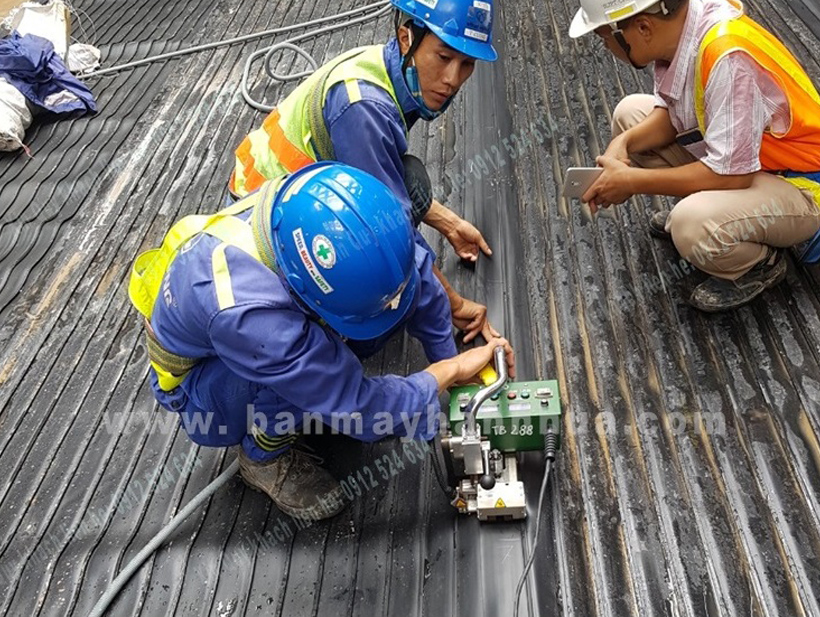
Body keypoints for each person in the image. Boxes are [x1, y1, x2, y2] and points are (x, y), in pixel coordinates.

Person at [128, 163, 515, 520]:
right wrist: (448, 371)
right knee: (296, 387)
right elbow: (360, 410)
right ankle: (263, 458)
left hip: (259, 323)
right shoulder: (252, 321)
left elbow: (413, 273)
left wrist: (449, 366)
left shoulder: (343, 213)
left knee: (363, 326)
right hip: (204, 390)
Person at [230, 0, 500, 337]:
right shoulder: (365, 109)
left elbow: (386, 176)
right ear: (406, 39)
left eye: (467, 64)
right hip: (262, 225)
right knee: (369, 314)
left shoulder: (386, 66)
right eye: (444, 57)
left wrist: (451, 224)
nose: (452, 79)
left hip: (288, 192)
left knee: (409, 180)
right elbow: (387, 229)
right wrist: (453, 305)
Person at [570, 0, 820, 311]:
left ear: (644, 27)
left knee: (691, 226)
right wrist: (623, 142)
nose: (607, 47)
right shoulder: (687, 27)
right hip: (753, 166)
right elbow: (676, 115)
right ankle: (717, 214)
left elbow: (732, 176)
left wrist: (632, 181)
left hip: (802, 187)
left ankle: (759, 263)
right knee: (630, 117)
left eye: (605, 38)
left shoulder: (727, 58)